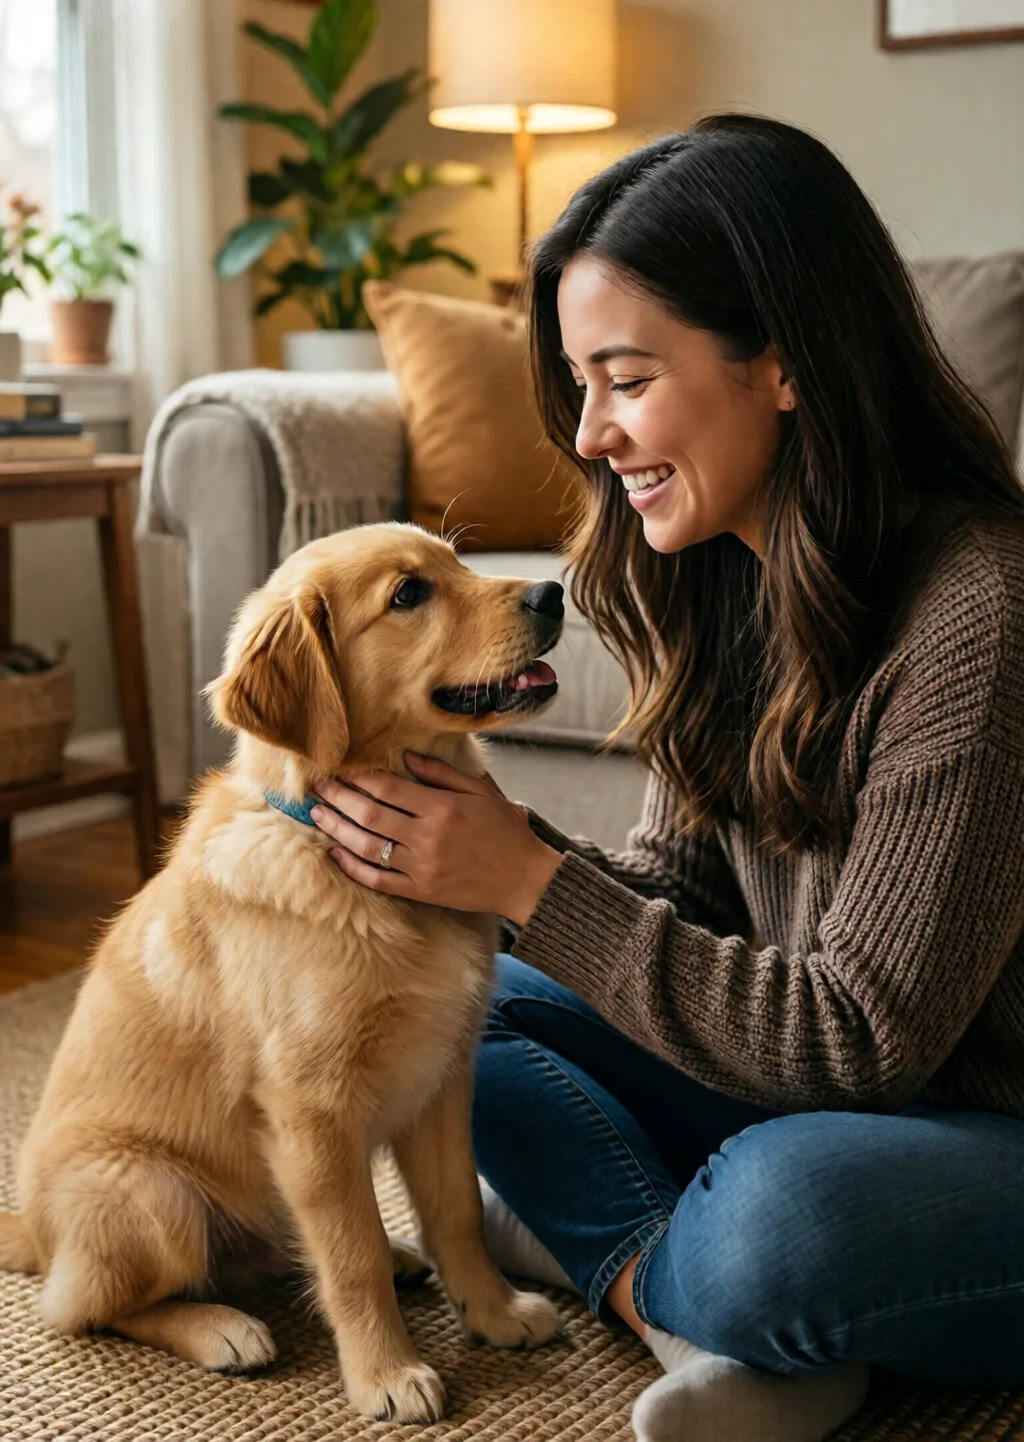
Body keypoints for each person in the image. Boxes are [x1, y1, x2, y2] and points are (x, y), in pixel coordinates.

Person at [308, 114, 1024, 1442]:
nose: (589, 435)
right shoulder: (730, 573)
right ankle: (678, 1307)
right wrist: (489, 865)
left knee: (778, 1213)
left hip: (970, 1109)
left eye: (626, 380)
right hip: (847, 1089)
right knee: (470, 1002)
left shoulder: (983, 613)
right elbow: (679, 886)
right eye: (580, 384)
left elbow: (860, 1040)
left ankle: (661, 1263)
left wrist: (526, 874)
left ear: (786, 363)